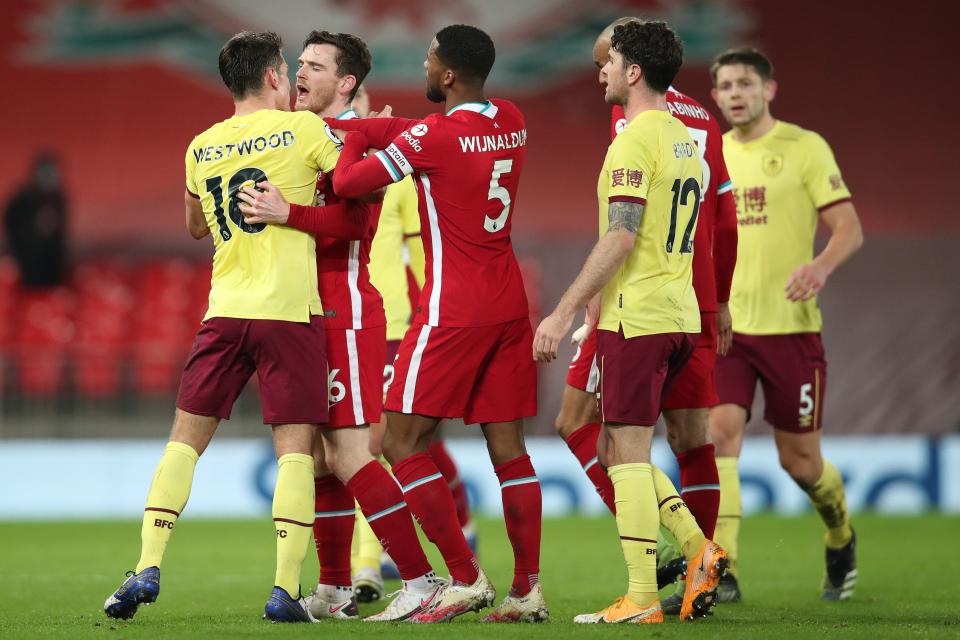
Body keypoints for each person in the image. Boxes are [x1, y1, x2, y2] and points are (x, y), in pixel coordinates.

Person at [103, 31, 339, 623]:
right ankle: (285, 589)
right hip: (288, 310)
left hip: (225, 309)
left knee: (184, 440)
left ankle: (146, 566)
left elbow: (194, 227)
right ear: (272, 78)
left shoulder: (201, 146)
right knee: (295, 450)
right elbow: (352, 189)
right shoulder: (305, 130)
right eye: (287, 70)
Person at [326, 24, 546, 623]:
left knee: (399, 442)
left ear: (447, 74)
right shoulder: (510, 116)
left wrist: (349, 141)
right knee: (511, 453)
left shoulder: (433, 137)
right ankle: (528, 590)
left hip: (453, 309)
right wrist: (365, 126)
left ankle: (465, 578)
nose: (422, 66)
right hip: (508, 304)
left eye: (428, 59)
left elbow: (348, 183)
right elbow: (426, 133)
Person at [235, 31, 446, 623]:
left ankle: (421, 579)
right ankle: (332, 589)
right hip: (302, 312)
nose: (299, 74)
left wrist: (287, 212)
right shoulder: (308, 132)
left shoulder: (354, 140)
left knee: (352, 454)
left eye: (315, 67)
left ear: (346, 82)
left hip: (343, 313)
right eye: (297, 64)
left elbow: (355, 225)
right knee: (324, 460)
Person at [533, 21, 727, 624]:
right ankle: (700, 550)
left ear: (634, 71)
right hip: (678, 314)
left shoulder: (633, 141)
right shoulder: (688, 143)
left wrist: (563, 309)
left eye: (609, 62)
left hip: (635, 316)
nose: (600, 72)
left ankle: (642, 596)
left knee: (629, 455)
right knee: (622, 447)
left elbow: (621, 235)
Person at [708, 47, 863, 602]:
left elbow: (848, 227)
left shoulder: (804, 147)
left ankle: (840, 535)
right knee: (719, 436)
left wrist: (819, 267)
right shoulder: (712, 155)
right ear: (716, 96)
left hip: (792, 330)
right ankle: (721, 570)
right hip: (728, 330)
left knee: (800, 462)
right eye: (725, 85)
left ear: (769, 89)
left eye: (745, 83)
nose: (735, 94)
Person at [3, 152, 69, 288]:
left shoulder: (59, 198)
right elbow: (10, 221)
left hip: (50, 261)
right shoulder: (23, 198)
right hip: (27, 259)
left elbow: (60, 233)